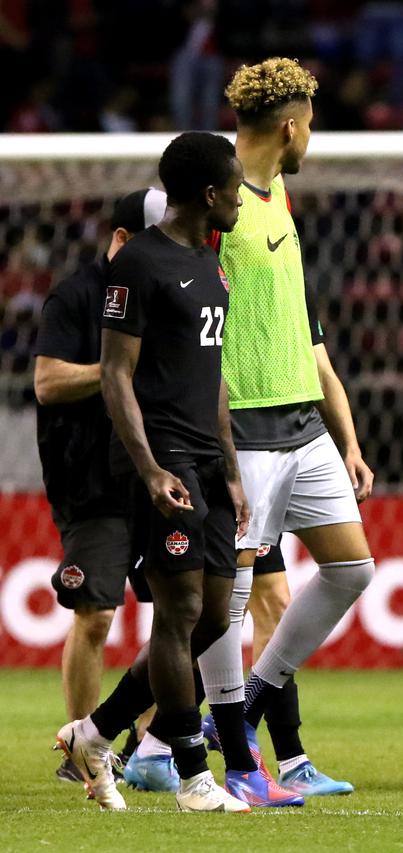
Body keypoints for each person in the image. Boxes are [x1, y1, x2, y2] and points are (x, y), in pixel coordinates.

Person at [56, 131, 253, 813]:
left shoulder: (212, 263)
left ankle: (95, 729)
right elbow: (115, 375)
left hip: (206, 457)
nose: (240, 198)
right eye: (234, 188)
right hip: (161, 456)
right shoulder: (138, 263)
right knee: (179, 613)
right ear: (208, 193)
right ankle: (194, 777)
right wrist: (147, 468)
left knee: (215, 616)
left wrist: (229, 466)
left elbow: (215, 373)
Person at [196, 56, 371, 798]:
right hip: (247, 430)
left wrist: (348, 436)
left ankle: (248, 706)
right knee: (224, 604)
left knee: (351, 567)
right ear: (292, 125)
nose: (313, 138)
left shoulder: (279, 198)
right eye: (312, 125)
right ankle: (223, 754)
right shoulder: (216, 201)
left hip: (304, 427)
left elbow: (304, 331)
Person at [36, 188, 169, 788]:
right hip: (90, 478)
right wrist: (114, 370)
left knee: (178, 611)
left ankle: (148, 747)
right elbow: (46, 381)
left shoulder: (172, 289)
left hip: (157, 471)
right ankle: (81, 749)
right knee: (95, 614)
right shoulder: (76, 295)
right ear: (121, 240)